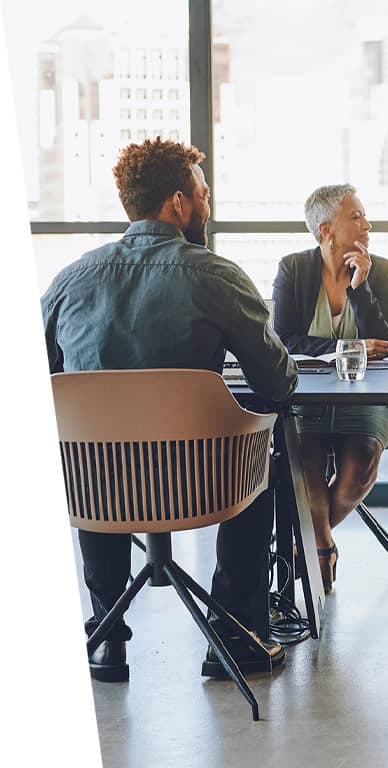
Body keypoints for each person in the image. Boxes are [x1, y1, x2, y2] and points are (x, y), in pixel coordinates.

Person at [41, 138, 298, 682]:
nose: (208, 205)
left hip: (98, 490)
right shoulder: (215, 275)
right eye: (204, 194)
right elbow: (277, 382)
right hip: (200, 484)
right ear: (179, 203)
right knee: (260, 448)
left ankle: (106, 638)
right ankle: (234, 634)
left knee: (95, 444)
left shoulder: (68, 281)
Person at [273, 184, 388, 593]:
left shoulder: (381, 270)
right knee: (305, 467)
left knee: (360, 465)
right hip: (305, 398)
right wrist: (348, 347)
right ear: (326, 229)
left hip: (364, 398)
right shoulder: (293, 269)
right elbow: (284, 340)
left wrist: (361, 289)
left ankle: (302, 542)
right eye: (357, 216)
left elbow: (386, 343)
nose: (368, 224)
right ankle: (322, 546)